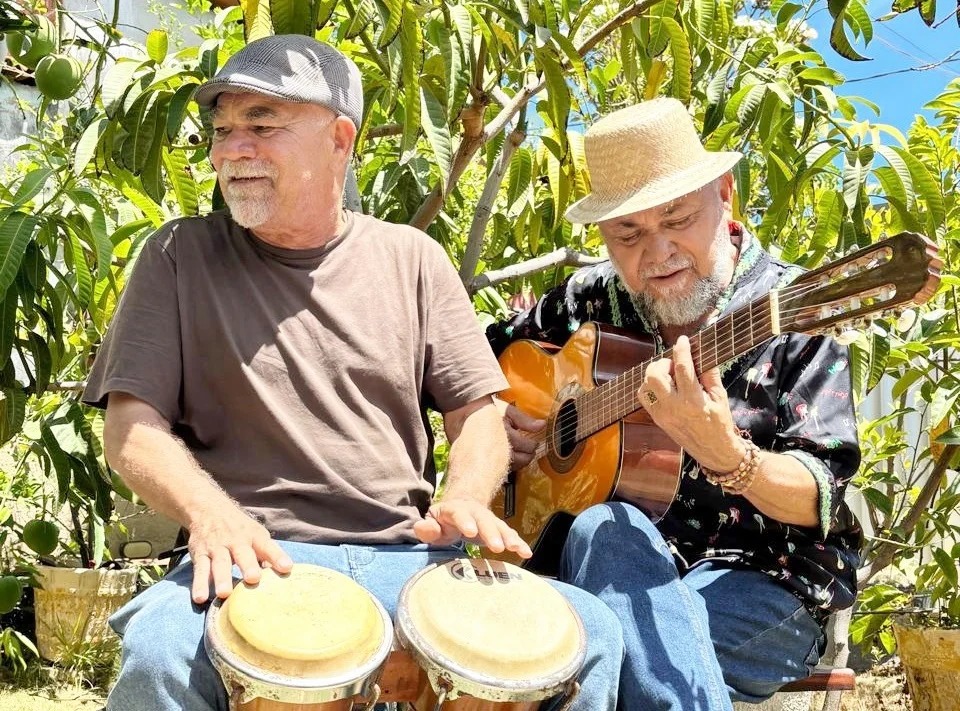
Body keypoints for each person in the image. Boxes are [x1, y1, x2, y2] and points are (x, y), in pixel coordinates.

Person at [83, 34, 623, 711]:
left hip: (409, 553)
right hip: (252, 555)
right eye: (221, 130)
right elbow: (131, 427)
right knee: (161, 653)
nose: (230, 149)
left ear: (339, 138)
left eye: (261, 124)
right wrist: (210, 513)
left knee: (593, 635)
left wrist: (467, 496)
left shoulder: (415, 259)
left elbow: (477, 413)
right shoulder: (177, 256)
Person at [487, 97, 864, 711]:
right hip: (606, 563)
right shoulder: (587, 302)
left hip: (764, 581)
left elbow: (821, 495)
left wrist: (728, 455)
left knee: (587, 649)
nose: (656, 252)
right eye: (628, 234)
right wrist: (498, 422)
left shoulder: (795, 314)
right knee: (610, 526)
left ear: (725, 196)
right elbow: (475, 363)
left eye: (677, 218)